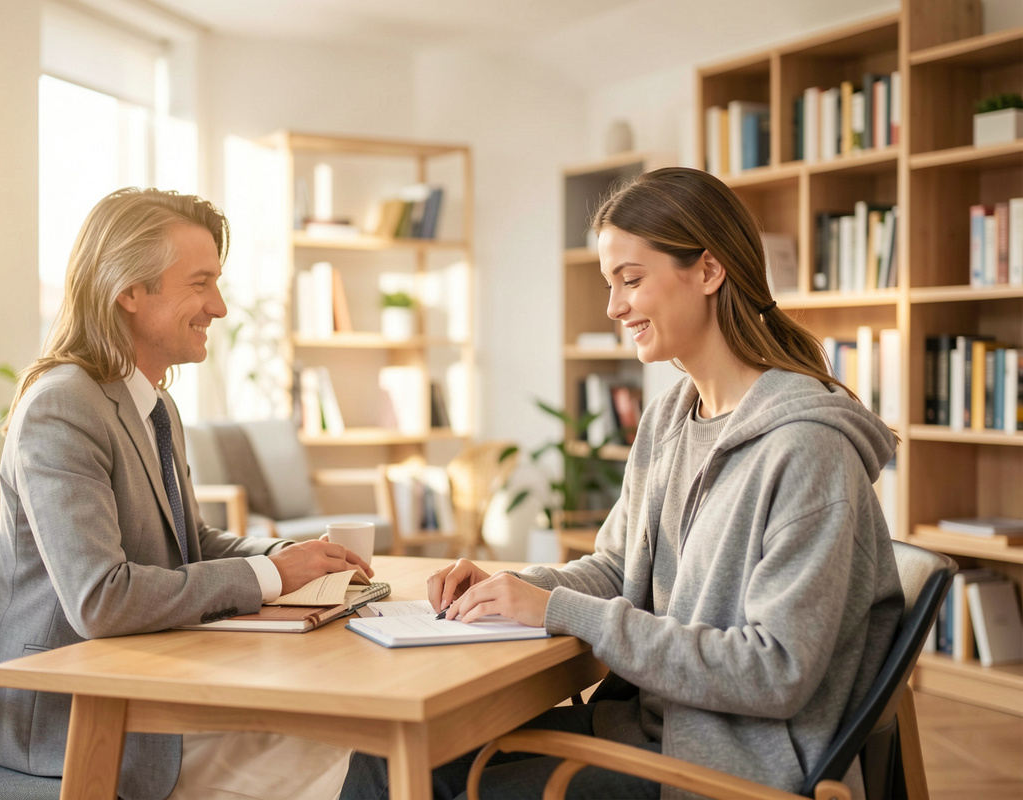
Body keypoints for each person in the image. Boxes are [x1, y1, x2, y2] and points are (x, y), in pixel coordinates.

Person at [340, 167, 903, 800]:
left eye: (631, 280)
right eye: (611, 284)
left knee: (420, 780)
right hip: (650, 728)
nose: (613, 307)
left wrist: (559, 610)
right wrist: (520, 588)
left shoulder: (806, 448)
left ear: (710, 271)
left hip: (726, 764)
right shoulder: (670, 416)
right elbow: (617, 568)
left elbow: (776, 671)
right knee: (387, 754)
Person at [0, 187, 369, 800]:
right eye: (200, 283)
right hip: (77, 719)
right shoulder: (62, 407)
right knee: (351, 759)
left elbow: (194, 542)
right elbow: (100, 600)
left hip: (152, 687)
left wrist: (292, 557)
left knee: (357, 741)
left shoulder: (154, 404)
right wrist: (273, 577)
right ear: (129, 291)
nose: (218, 306)